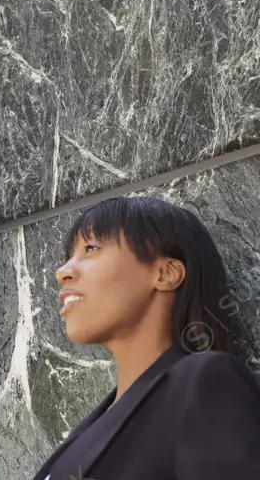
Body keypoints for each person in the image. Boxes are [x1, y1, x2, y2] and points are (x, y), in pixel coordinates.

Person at [32, 195, 260, 480]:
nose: (62, 272)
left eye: (91, 248)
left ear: (165, 273)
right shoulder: (99, 420)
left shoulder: (204, 381)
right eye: (69, 255)